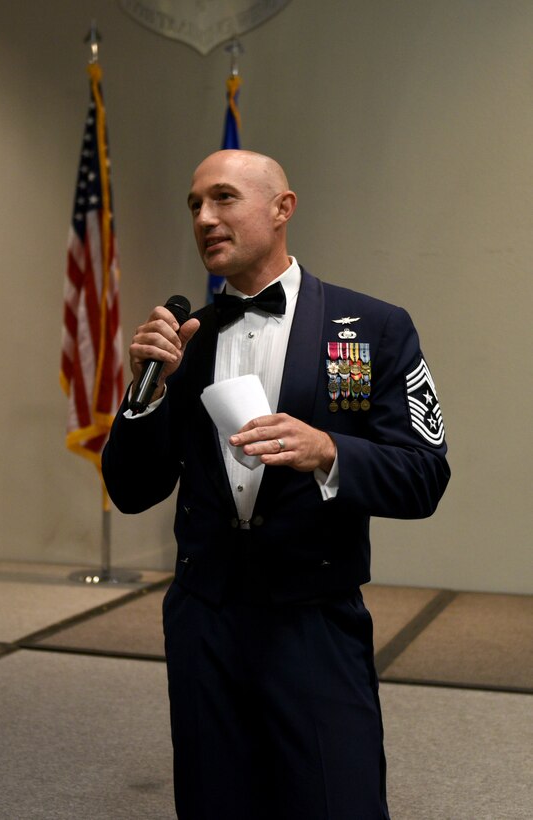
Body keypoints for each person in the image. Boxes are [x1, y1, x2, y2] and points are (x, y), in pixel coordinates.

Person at [102, 149, 450, 820]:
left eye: (224, 198)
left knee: (337, 800)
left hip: (313, 616)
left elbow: (424, 475)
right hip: (205, 619)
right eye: (194, 205)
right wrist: (145, 396)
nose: (204, 218)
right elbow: (132, 489)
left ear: (282, 209)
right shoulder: (186, 341)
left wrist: (328, 451)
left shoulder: (371, 328)